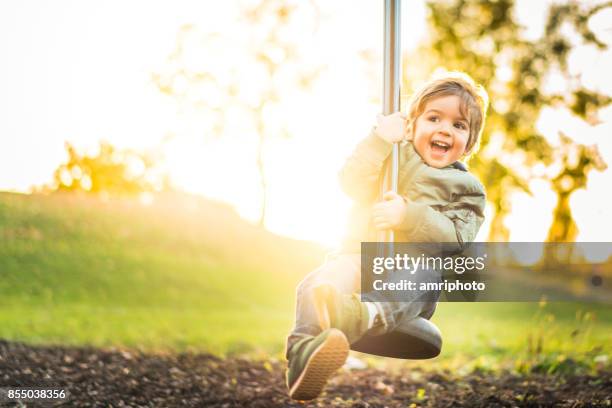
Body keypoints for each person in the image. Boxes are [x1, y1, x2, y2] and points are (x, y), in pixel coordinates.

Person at [285, 71, 489, 401]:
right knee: (317, 283)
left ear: (469, 143)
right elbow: (351, 181)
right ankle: (302, 357)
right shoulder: (390, 154)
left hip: (411, 277)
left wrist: (408, 216)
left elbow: (456, 238)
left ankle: (357, 316)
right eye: (434, 117)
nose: (444, 129)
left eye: (459, 125)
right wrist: (379, 139)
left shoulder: (467, 189)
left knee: (423, 275)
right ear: (412, 125)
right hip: (360, 257)